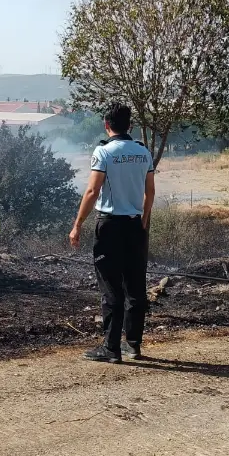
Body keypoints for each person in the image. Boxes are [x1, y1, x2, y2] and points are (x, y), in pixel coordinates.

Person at [69, 102, 155, 363]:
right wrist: (144, 218)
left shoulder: (103, 152)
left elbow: (93, 191)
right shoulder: (143, 152)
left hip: (110, 225)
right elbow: (150, 191)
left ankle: (110, 348)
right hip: (135, 224)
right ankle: (133, 344)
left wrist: (77, 224)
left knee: (110, 286)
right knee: (135, 286)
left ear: (106, 125)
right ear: (130, 125)